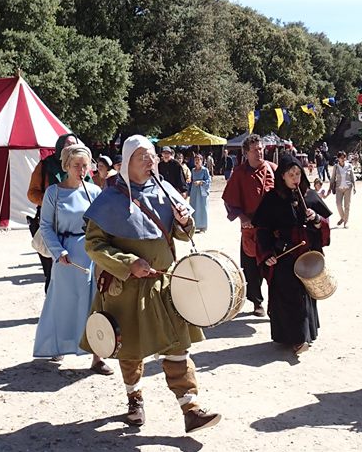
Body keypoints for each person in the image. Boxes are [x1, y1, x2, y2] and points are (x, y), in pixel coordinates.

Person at [81, 135, 221, 433]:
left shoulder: (165, 190)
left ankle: (190, 408)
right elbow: (93, 245)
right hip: (126, 289)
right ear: (127, 161)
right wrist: (128, 262)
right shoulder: (109, 199)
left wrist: (184, 222)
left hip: (164, 283)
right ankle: (134, 399)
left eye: (152, 155)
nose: (150, 161)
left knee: (178, 344)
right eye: (142, 156)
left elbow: (183, 233)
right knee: (130, 349)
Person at [33, 145, 113, 374]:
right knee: (63, 301)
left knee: (94, 303)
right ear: (66, 166)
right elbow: (45, 226)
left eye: (85, 165)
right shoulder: (54, 193)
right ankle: (58, 344)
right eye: (77, 165)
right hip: (66, 255)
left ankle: (97, 356)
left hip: (91, 254)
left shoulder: (94, 191)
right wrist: (58, 252)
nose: (82, 170)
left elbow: (104, 224)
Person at [252, 155, 332, 356]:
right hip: (284, 256)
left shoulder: (309, 195)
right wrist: (267, 253)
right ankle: (294, 337)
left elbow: (324, 225)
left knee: (304, 295)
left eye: (298, 174)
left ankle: (302, 336)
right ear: (282, 176)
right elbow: (262, 230)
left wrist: (316, 219)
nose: (295, 178)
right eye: (291, 174)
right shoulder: (272, 199)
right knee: (289, 295)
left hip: (306, 256)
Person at [222, 133, 276, 317]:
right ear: (246, 153)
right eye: (255, 150)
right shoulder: (239, 173)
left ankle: (275, 303)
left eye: (261, 149)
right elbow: (229, 200)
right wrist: (242, 217)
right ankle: (257, 302)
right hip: (251, 228)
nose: (259, 153)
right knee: (252, 267)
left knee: (275, 266)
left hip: (273, 227)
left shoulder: (273, 169)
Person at [28, 133, 77, 291]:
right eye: (68, 144)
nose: (71, 148)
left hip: (75, 228)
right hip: (50, 224)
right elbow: (32, 193)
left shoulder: (80, 166)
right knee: (52, 273)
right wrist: (51, 202)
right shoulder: (45, 166)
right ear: (60, 146)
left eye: (74, 144)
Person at [329, 150, 357, 227]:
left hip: (348, 187)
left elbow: (352, 177)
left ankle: (346, 222)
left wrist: (354, 187)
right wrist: (330, 188)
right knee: (338, 204)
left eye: (344, 157)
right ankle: (343, 217)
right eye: (341, 157)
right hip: (339, 188)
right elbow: (332, 178)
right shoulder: (336, 167)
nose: (343, 159)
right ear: (338, 158)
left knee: (347, 206)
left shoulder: (349, 166)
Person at [188, 153, 211, 232]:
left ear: (202, 161)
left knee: (202, 207)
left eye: (198, 160)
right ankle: (194, 225)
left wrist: (201, 182)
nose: (197, 161)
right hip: (194, 191)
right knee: (193, 207)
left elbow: (208, 180)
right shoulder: (193, 170)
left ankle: (203, 226)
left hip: (202, 191)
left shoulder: (205, 170)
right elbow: (191, 179)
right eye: (195, 160)